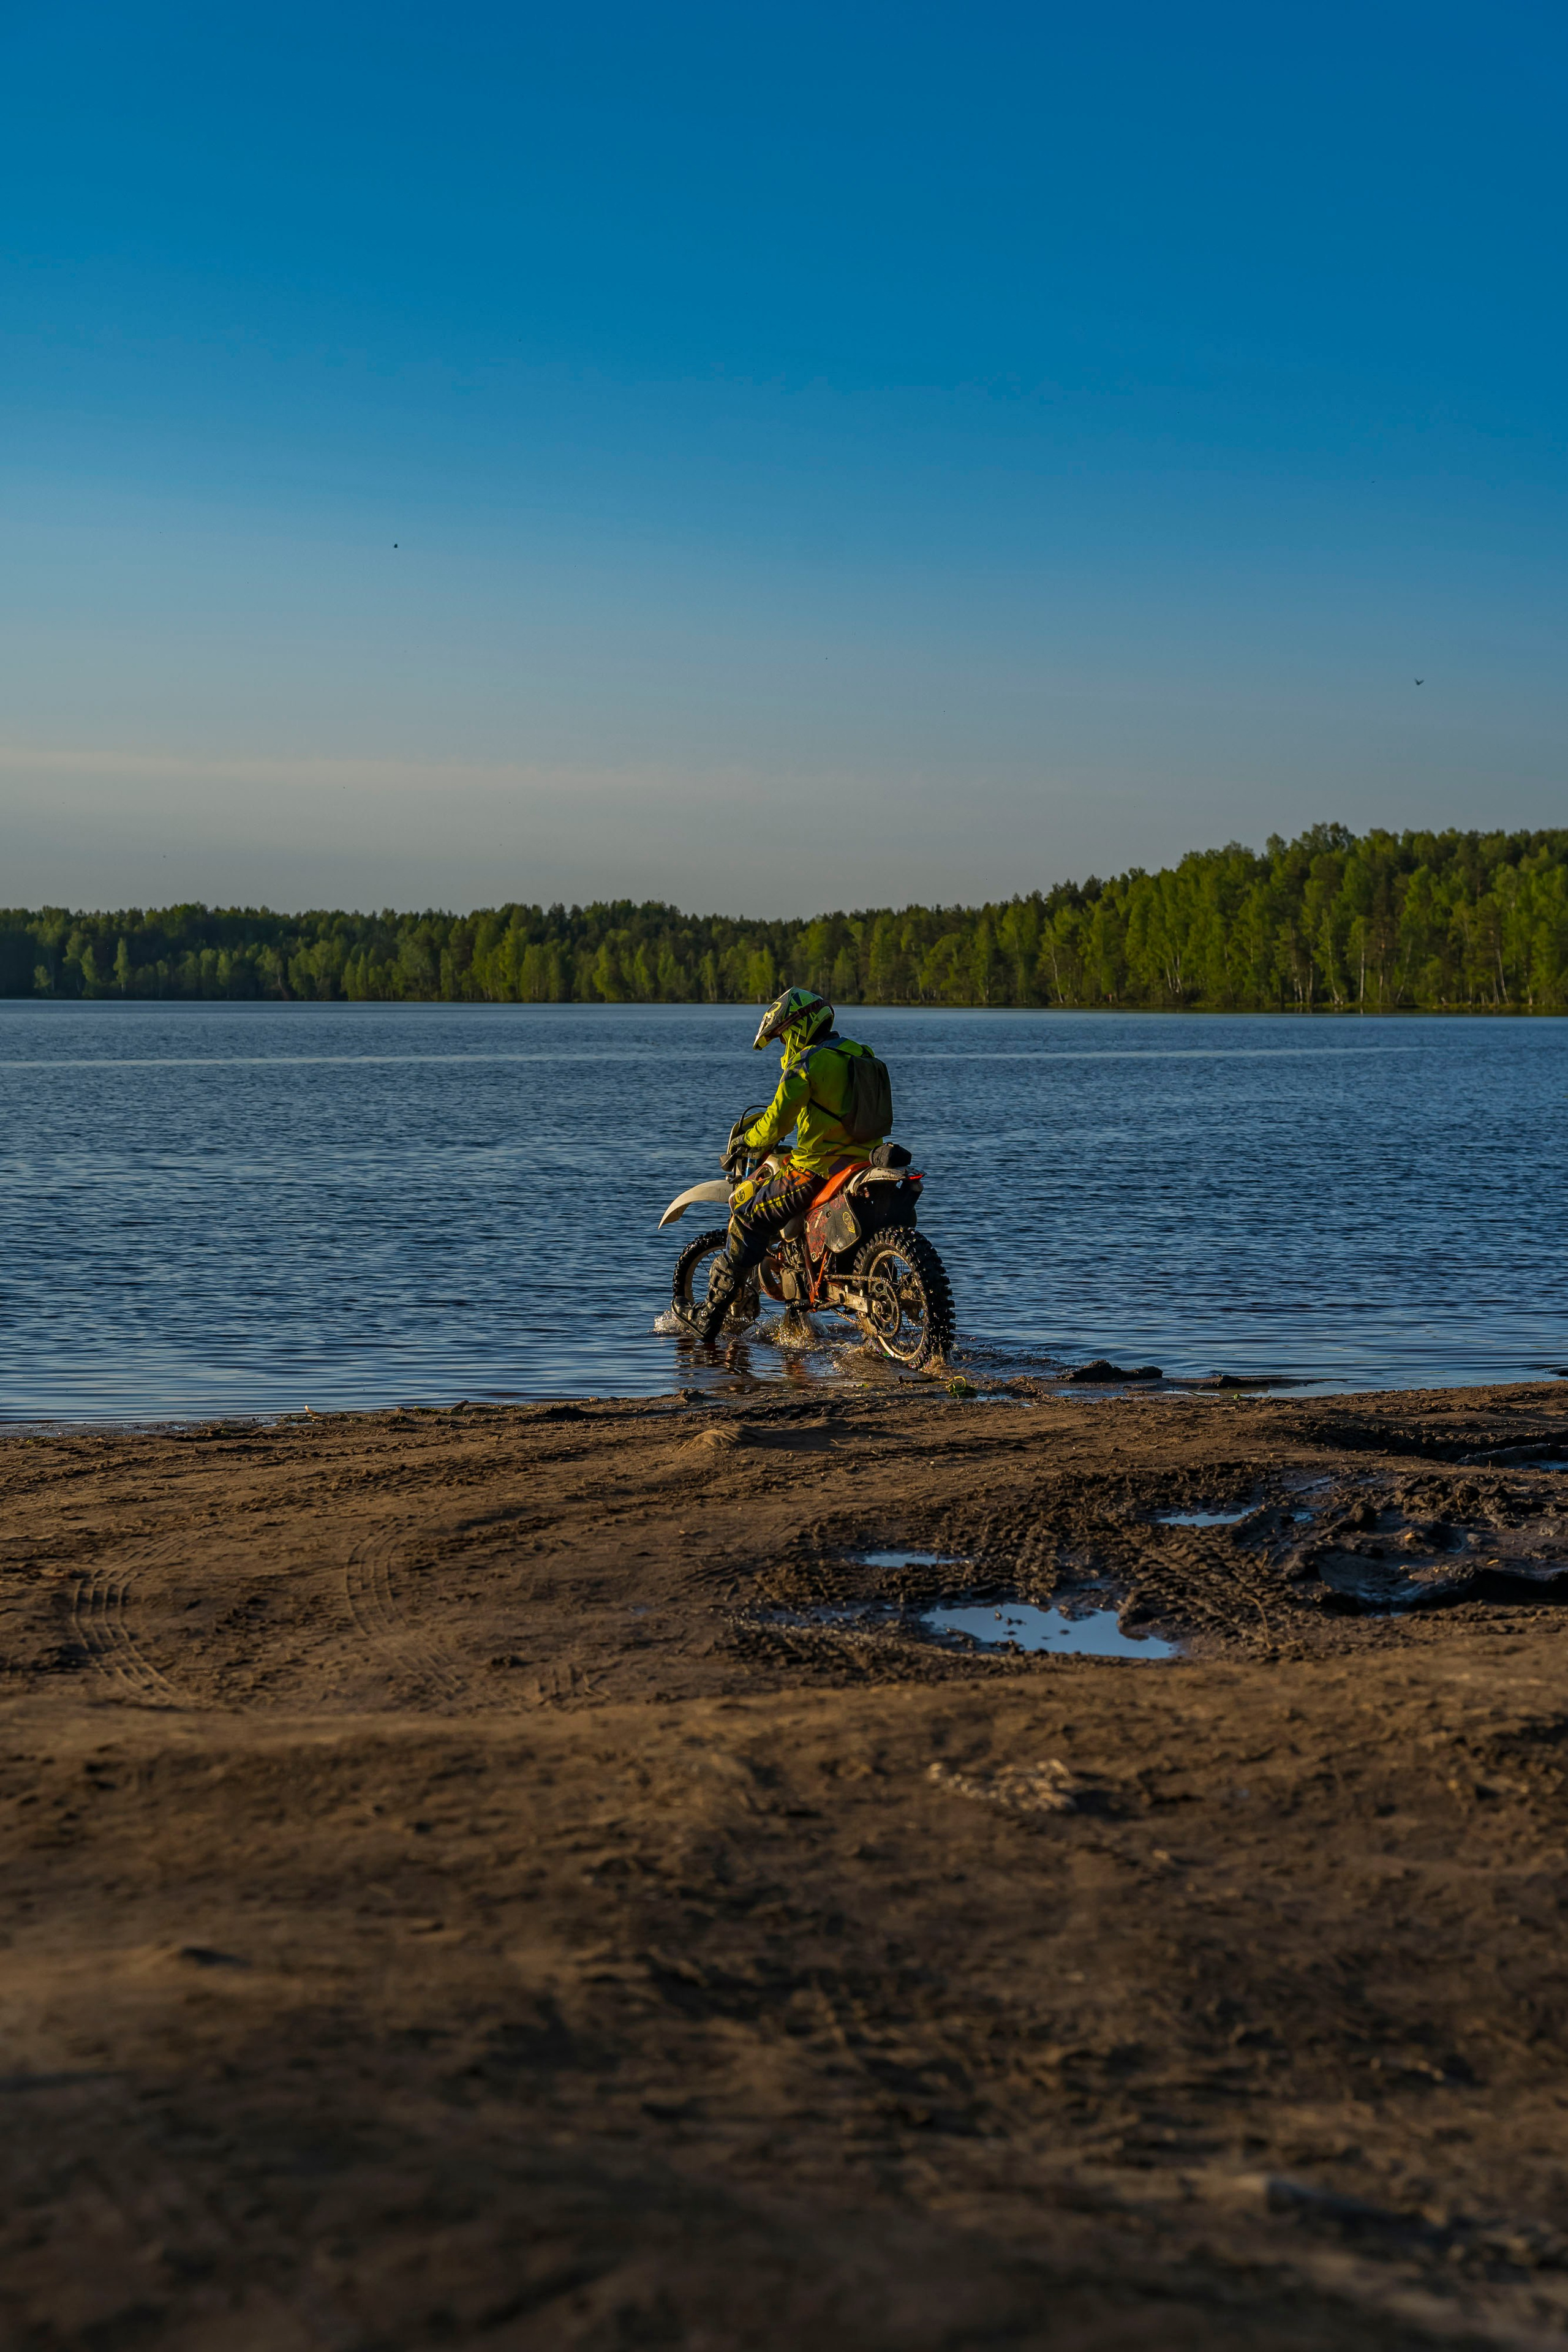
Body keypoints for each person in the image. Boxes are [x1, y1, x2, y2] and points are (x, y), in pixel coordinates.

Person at [685, 988, 887, 1343]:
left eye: (782, 1037)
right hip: (864, 1164)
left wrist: (747, 1141)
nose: (783, 1046)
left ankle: (708, 1317)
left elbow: (776, 1123)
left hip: (817, 1170)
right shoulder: (862, 1054)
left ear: (797, 1028)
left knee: (747, 1217)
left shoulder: (807, 1063)